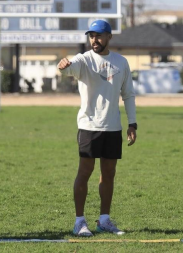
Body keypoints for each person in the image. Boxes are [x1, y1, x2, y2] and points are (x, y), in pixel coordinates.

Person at [58, 20, 137, 237]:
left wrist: (132, 123)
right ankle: (79, 222)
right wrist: (64, 66)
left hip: (113, 127)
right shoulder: (84, 59)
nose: (95, 39)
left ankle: (104, 220)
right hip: (89, 125)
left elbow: (128, 94)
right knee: (85, 172)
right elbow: (70, 69)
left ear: (109, 37)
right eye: (91, 35)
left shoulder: (121, 62)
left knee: (109, 174)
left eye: (99, 35)